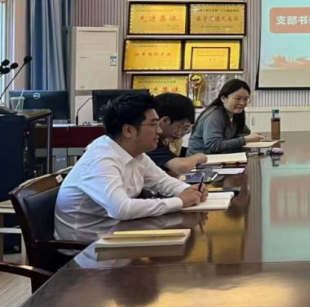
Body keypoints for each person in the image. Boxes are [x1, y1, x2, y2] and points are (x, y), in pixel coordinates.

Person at [55, 92, 207, 240]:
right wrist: (180, 201)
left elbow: (163, 182)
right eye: (154, 124)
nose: (159, 131)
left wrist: (189, 191)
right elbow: (122, 209)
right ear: (128, 130)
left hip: (119, 234)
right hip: (86, 247)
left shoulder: (136, 154)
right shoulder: (101, 159)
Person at [187, 79, 266, 155]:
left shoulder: (236, 113)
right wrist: (245, 140)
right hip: (202, 161)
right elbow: (214, 145)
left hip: (222, 157)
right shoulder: (214, 116)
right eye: (237, 99)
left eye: (245, 99)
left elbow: (244, 133)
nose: (242, 103)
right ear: (223, 98)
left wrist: (249, 137)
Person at [147, 93, 208, 176]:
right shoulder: (150, 142)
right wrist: (198, 157)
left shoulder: (164, 141)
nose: (180, 134)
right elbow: (181, 167)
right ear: (164, 121)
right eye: (182, 127)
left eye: (186, 129)